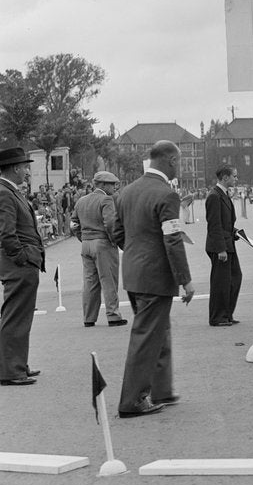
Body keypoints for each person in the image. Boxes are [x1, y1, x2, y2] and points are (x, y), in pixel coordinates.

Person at [114, 141, 195, 417]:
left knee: (158, 333)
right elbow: (173, 241)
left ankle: (161, 390)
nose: (180, 167)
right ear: (171, 161)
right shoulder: (166, 195)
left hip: (134, 274)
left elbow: (117, 232)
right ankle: (133, 400)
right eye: (180, 162)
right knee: (147, 337)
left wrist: (138, 255)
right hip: (154, 278)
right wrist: (185, 280)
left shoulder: (126, 192)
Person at [0, 147, 45, 386]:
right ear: (16, 168)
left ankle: (17, 364)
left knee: (21, 316)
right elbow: (7, 233)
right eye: (25, 167)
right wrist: (22, 257)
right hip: (19, 263)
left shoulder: (10, 191)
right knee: (15, 316)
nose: (28, 171)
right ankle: (11, 370)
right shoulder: (5, 193)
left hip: (23, 262)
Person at [70, 171, 127, 327]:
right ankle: (113, 315)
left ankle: (89, 317)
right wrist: (116, 241)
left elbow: (73, 223)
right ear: (102, 185)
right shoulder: (106, 200)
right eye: (111, 184)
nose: (114, 187)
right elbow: (110, 224)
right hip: (103, 244)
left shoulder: (81, 201)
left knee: (90, 282)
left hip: (86, 244)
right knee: (109, 280)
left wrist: (82, 237)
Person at [205, 165, 242, 327]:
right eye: (234, 176)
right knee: (221, 282)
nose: (236, 179)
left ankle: (227, 314)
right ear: (225, 178)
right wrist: (221, 248)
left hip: (228, 243)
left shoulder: (223, 195)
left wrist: (235, 232)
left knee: (234, 279)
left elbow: (225, 222)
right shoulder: (214, 196)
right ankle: (217, 317)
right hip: (220, 247)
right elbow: (214, 224)